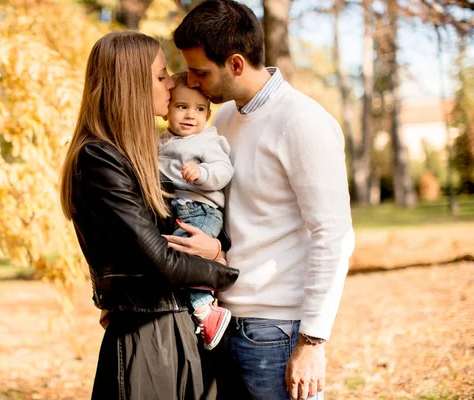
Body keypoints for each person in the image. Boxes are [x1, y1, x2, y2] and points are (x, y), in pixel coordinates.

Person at [164, 1, 356, 399]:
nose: (194, 83)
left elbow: (333, 235)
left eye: (201, 71)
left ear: (235, 63)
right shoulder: (223, 120)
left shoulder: (303, 122)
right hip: (223, 320)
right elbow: (232, 215)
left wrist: (313, 343)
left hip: (277, 333)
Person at [59, 31, 239, 400]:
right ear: (132, 86)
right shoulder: (99, 158)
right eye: (161, 76)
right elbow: (162, 261)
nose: (173, 84)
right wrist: (226, 269)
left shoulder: (141, 154)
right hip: (149, 338)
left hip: (174, 329)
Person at [159, 71, 234, 350]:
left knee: (182, 258)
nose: (191, 115)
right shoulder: (162, 142)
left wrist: (202, 173)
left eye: (199, 109)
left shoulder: (207, 140)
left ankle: (206, 311)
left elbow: (224, 170)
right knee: (171, 257)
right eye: (182, 107)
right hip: (180, 211)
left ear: (208, 114)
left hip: (202, 211)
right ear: (166, 110)